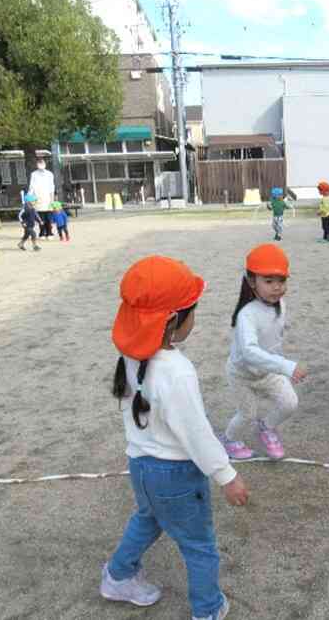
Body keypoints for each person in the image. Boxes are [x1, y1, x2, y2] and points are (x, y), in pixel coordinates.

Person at [102, 256, 248, 620]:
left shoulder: (129, 353)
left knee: (148, 518)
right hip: (177, 475)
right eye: (191, 310)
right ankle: (208, 609)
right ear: (171, 321)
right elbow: (196, 434)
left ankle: (118, 575)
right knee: (199, 546)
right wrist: (226, 475)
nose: (194, 317)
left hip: (140, 466)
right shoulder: (177, 371)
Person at [219, 244, 307, 460]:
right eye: (268, 281)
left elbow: (274, 341)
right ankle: (229, 440)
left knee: (290, 403)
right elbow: (249, 352)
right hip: (242, 375)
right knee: (246, 414)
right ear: (251, 281)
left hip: (268, 371)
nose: (277, 287)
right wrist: (287, 366)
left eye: (282, 281)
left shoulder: (281, 305)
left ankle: (267, 427)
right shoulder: (247, 315)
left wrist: (282, 367)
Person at [29, 158, 55, 239]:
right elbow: (31, 187)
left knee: (49, 218)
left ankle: (49, 233)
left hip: (48, 199)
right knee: (40, 218)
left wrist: (52, 199)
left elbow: (52, 187)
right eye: (39, 163)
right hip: (38, 198)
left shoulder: (49, 174)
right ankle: (42, 233)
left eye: (42, 163)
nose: (40, 164)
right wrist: (30, 198)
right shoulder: (34, 174)